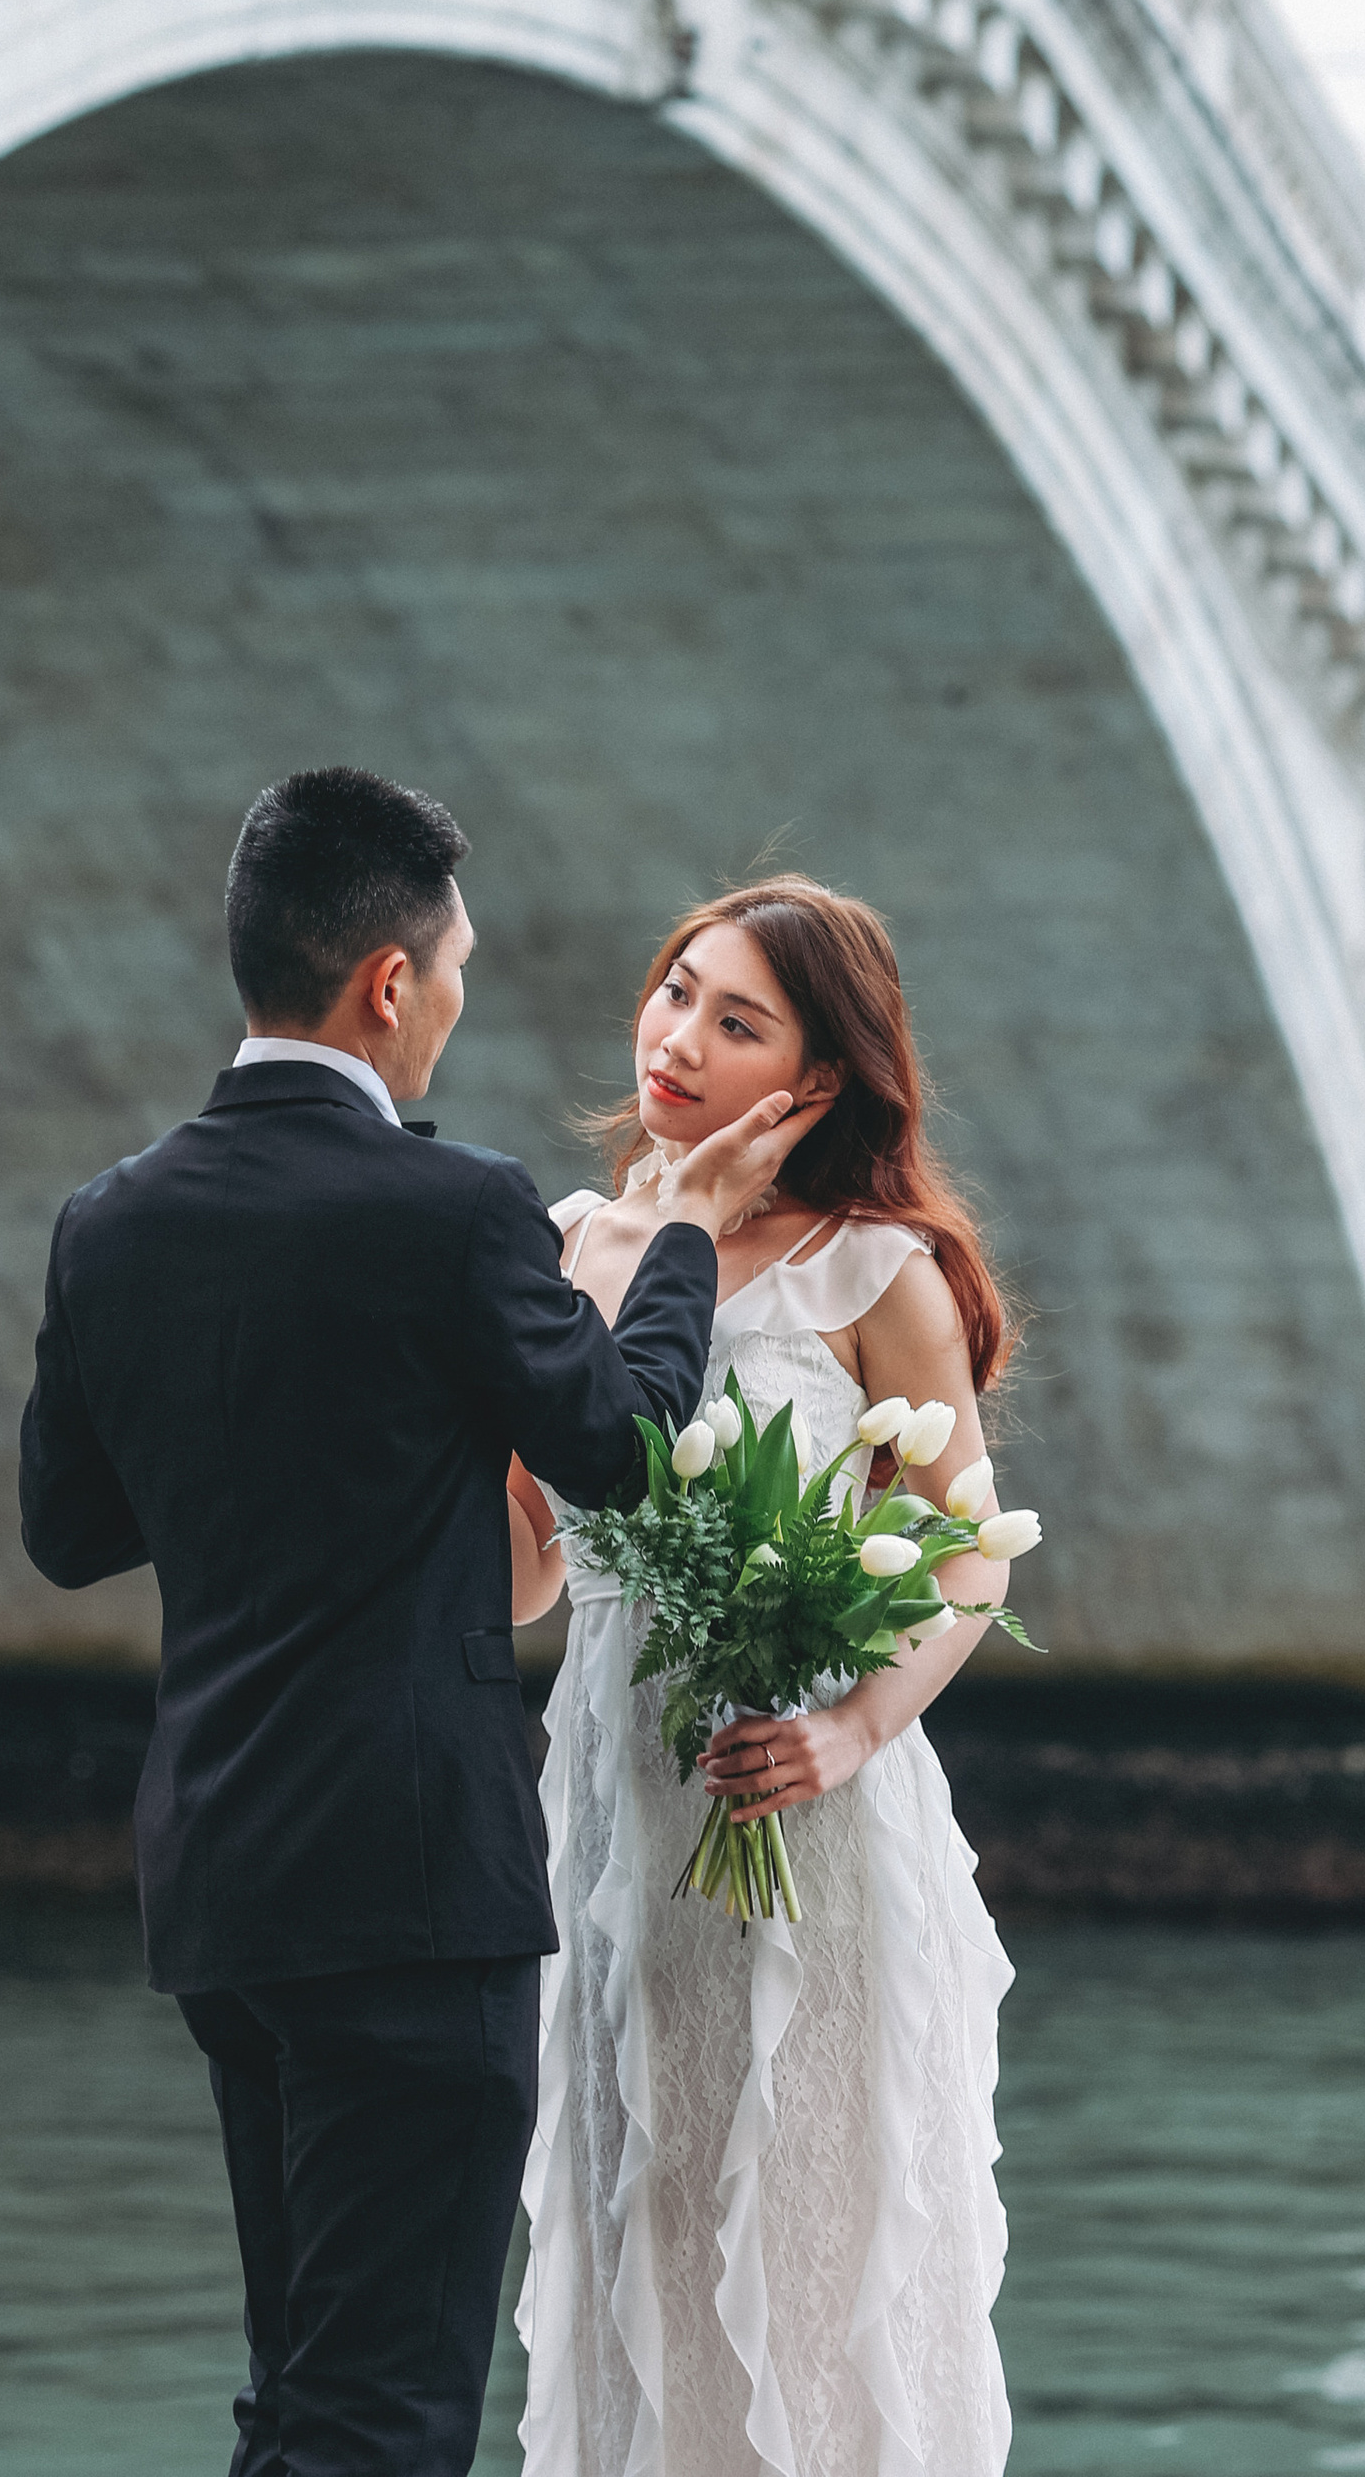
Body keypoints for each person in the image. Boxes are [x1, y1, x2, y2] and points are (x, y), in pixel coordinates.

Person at [17, 767, 813, 2477]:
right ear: (390, 983)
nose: (457, 1001)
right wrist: (684, 1236)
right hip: (406, 1880)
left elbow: (69, 1532)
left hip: (222, 1877)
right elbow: (625, 1444)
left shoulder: (110, 1221)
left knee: (296, 2394)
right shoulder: (451, 1210)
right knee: (384, 2417)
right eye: (453, 968)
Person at [511, 877, 1018, 2477]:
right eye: (676, 991)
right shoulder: (561, 1245)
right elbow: (534, 1565)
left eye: (738, 1022)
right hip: (611, 1804)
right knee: (632, 2212)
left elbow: (970, 1553)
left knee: (808, 2227)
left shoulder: (876, 1271)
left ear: (819, 1078)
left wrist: (852, 1727)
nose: (679, 1038)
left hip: (808, 1817)